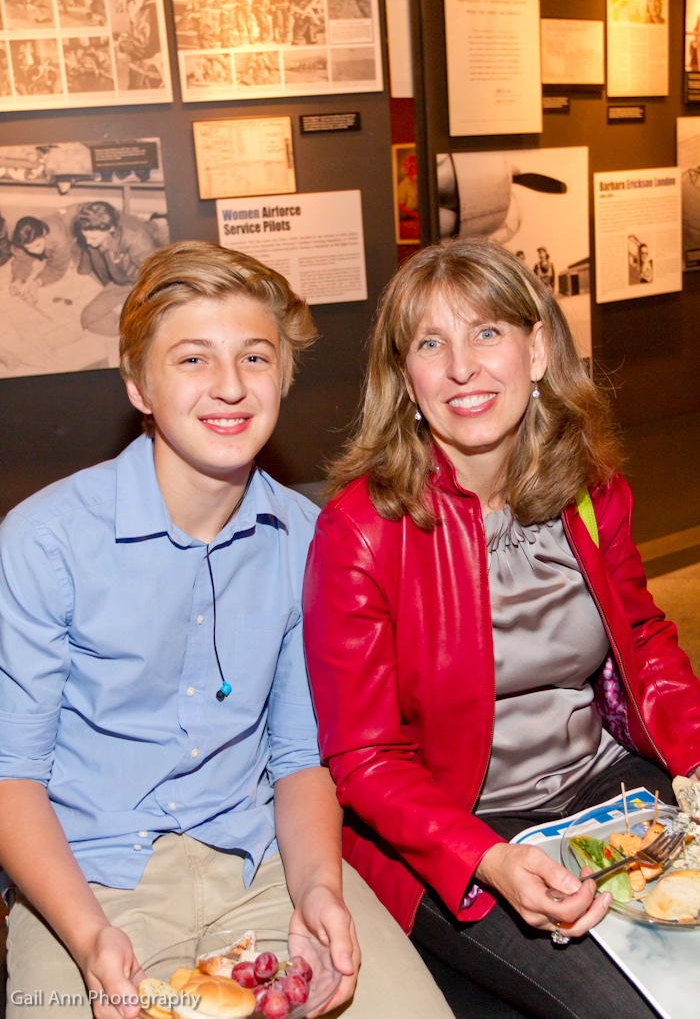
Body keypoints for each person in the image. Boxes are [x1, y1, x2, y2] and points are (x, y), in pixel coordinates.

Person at [0, 241, 454, 1019]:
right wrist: (89, 937)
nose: (231, 386)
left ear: (282, 376)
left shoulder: (307, 539)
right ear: (139, 385)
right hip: (87, 886)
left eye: (254, 356)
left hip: (263, 864)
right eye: (192, 359)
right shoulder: (46, 542)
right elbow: (12, 775)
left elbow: (299, 756)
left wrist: (319, 890)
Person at [303, 239, 700, 1019]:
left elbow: (646, 642)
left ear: (538, 349)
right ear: (405, 378)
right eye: (431, 344)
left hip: (608, 784)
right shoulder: (361, 532)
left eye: (487, 332)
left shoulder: (592, 491)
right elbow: (362, 756)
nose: (462, 368)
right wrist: (486, 859)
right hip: (463, 829)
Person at [74, 201, 159, 337]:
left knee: (151, 326)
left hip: (142, 285)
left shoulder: (136, 238)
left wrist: (139, 302)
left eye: (94, 238)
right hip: (120, 284)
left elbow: (156, 274)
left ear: (111, 229)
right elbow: (87, 252)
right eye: (86, 237)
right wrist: (82, 270)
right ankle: (124, 330)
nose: (88, 242)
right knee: (88, 319)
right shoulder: (93, 236)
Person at [10, 213, 73, 302]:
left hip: (67, 222)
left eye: (37, 245)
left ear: (44, 233)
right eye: (28, 248)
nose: (34, 251)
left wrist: (37, 283)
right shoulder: (21, 238)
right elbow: (21, 259)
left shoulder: (59, 240)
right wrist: (18, 279)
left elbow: (57, 268)